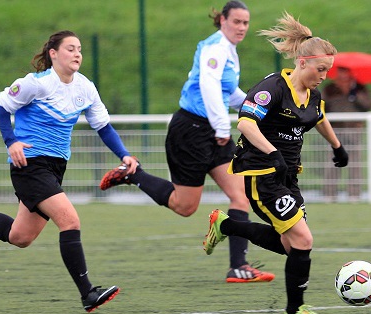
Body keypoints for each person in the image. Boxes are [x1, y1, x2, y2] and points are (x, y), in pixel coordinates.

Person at [0, 30, 137, 312]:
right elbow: (2, 107)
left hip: (55, 167)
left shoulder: (86, 88)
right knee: (70, 220)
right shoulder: (35, 84)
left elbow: (103, 126)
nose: (77, 54)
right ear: (53, 54)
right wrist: (11, 141)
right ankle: (88, 293)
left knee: (20, 237)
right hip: (29, 164)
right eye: (70, 49)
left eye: (79, 49)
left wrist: (124, 155)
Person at [99, 1, 275, 283]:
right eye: (237, 22)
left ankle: (238, 266)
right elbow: (208, 86)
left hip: (212, 131)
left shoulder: (229, 51)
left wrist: (259, 109)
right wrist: (221, 127)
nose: (242, 27)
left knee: (240, 195)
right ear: (222, 21)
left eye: (246, 23)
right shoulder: (214, 48)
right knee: (185, 206)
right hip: (190, 131)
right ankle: (134, 174)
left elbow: (228, 94)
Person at [202, 12, 348, 314]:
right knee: (303, 240)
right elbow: (245, 122)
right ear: (303, 62)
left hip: (287, 175)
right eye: (320, 69)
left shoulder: (313, 95)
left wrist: (337, 146)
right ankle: (295, 312)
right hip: (261, 172)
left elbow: (318, 118)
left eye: (328, 71)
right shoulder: (273, 88)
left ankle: (226, 226)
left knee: (290, 245)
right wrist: (272, 153)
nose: (323, 76)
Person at [321, 67, 371, 202]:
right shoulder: (330, 89)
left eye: (346, 73)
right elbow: (322, 105)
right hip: (334, 129)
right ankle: (330, 194)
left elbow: (368, 105)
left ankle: (354, 195)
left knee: (355, 163)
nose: (343, 76)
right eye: (340, 73)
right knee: (333, 162)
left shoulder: (359, 88)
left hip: (354, 129)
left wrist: (353, 93)